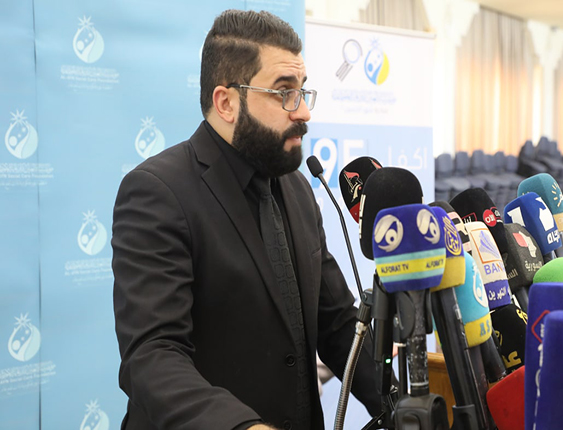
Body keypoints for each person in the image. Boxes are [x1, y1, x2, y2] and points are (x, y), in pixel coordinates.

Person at [112, 9, 383, 430]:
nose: (303, 111)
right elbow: (152, 357)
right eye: (284, 92)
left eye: (302, 91)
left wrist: (401, 399)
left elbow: (337, 323)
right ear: (227, 103)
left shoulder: (297, 187)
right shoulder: (157, 192)